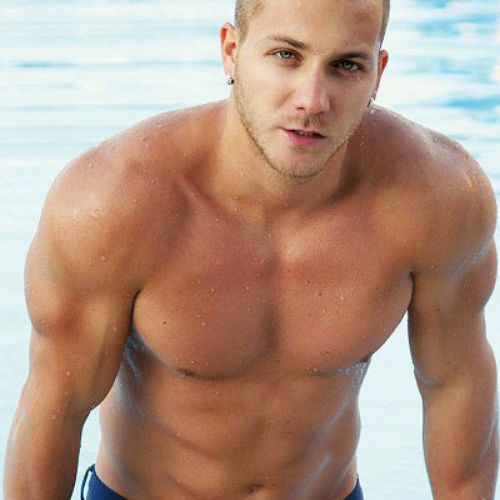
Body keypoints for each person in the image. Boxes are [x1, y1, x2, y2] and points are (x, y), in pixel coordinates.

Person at [4, 0, 499, 498]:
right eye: (286, 55)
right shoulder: (116, 203)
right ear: (231, 51)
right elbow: (56, 406)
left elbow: (455, 384)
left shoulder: (437, 200)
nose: (312, 101)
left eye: (346, 65)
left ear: (378, 74)